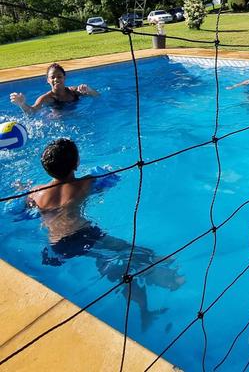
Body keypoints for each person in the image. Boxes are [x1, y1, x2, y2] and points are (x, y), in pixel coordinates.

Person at [29, 138, 184, 330]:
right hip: (84, 234)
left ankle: (142, 301)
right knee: (130, 251)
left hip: (57, 245)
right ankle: (168, 278)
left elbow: (26, 212)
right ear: (76, 163)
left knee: (117, 263)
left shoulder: (36, 193)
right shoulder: (86, 183)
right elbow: (111, 180)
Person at [10, 63, 99, 113]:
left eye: (59, 76)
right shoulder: (46, 98)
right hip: (59, 122)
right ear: (48, 80)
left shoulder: (74, 91)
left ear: (64, 77)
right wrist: (22, 104)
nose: (56, 79)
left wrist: (90, 90)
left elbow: (97, 96)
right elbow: (32, 111)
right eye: (52, 77)